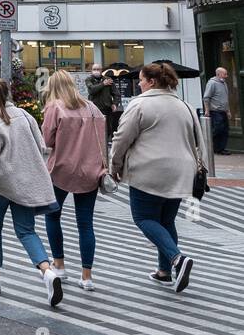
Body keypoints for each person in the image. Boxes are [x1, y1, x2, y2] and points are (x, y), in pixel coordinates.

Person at [0, 77, 63, 307]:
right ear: (9, 93)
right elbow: (41, 146)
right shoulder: (24, 115)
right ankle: (47, 271)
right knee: (26, 231)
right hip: (23, 183)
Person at [111, 62, 199, 293]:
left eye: (140, 80)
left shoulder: (139, 104)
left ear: (151, 82)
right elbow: (197, 139)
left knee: (144, 218)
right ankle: (164, 272)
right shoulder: (185, 106)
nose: (139, 84)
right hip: (181, 170)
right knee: (166, 220)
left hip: (148, 169)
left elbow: (122, 138)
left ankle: (177, 259)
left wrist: (115, 165)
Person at [41, 71, 107, 292]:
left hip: (61, 170)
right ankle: (87, 276)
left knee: (53, 215)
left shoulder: (54, 107)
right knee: (85, 223)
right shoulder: (92, 108)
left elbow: (47, 140)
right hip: (91, 171)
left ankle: (59, 264)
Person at [86, 63, 120, 141]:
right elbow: (92, 90)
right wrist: (103, 84)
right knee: (94, 128)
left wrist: (115, 103)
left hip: (106, 108)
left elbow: (116, 93)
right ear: (91, 71)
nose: (96, 71)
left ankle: (107, 142)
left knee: (107, 128)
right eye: (94, 69)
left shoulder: (108, 79)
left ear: (101, 70)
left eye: (98, 69)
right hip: (94, 109)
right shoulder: (89, 80)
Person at [203, 66, 231, 157]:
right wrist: (207, 110)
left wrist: (228, 111)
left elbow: (225, 99)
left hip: (223, 111)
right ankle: (209, 146)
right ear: (218, 74)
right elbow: (206, 97)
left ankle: (221, 149)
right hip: (215, 111)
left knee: (225, 130)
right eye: (225, 74)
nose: (226, 76)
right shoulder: (212, 83)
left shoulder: (224, 83)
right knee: (217, 129)